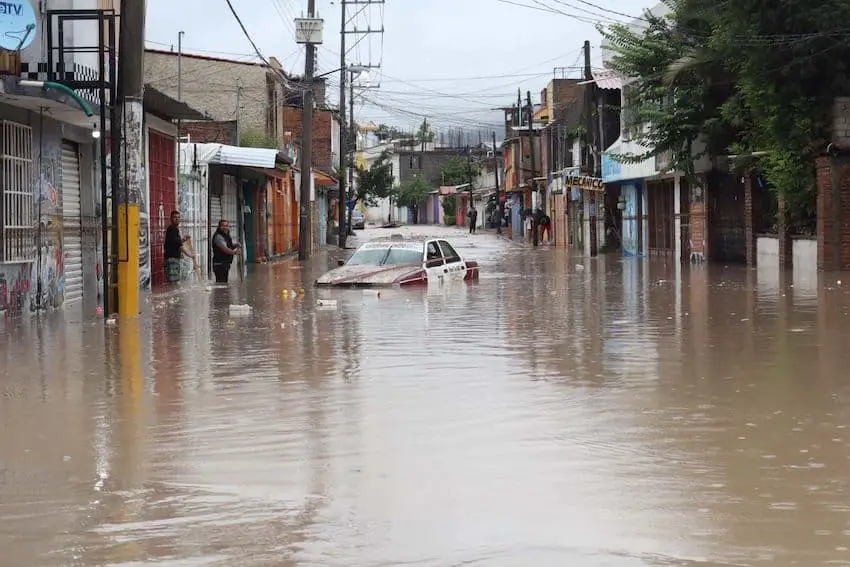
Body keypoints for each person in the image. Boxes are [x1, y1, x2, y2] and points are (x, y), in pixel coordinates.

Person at [164, 211, 191, 283]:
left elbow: (175, 243)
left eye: (178, 217)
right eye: (175, 217)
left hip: (174, 259)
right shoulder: (172, 229)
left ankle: (175, 294)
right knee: (174, 283)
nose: (177, 219)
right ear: (171, 219)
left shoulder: (175, 229)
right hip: (172, 259)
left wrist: (184, 240)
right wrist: (189, 255)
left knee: (175, 282)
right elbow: (179, 246)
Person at [211, 219, 241, 283]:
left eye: (227, 226)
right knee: (221, 283)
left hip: (224, 263)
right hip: (219, 264)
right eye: (223, 226)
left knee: (224, 284)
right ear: (219, 227)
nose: (225, 227)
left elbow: (228, 246)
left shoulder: (226, 235)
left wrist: (235, 245)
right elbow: (225, 249)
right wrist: (234, 252)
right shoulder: (218, 237)